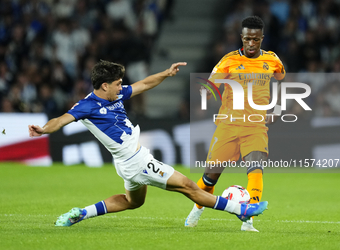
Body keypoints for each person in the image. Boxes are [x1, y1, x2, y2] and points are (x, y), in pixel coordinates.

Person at [28, 60, 268, 227]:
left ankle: (82, 213)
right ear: (104, 86)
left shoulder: (117, 94)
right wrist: (42, 129)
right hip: (137, 161)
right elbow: (61, 120)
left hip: (126, 163)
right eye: (118, 84)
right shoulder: (86, 106)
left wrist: (166, 73)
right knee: (188, 187)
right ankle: (242, 210)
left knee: (133, 202)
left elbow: (144, 84)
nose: (121, 87)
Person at [185, 16, 285, 232]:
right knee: (209, 178)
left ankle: (248, 221)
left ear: (262, 38)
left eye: (255, 39)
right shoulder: (228, 60)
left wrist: (277, 106)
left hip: (256, 126)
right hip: (228, 126)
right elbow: (211, 84)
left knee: (256, 168)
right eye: (247, 39)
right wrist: (207, 92)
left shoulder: (272, 60)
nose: (251, 43)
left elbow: (280, 81)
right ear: (242, 37)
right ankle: (197, 208)